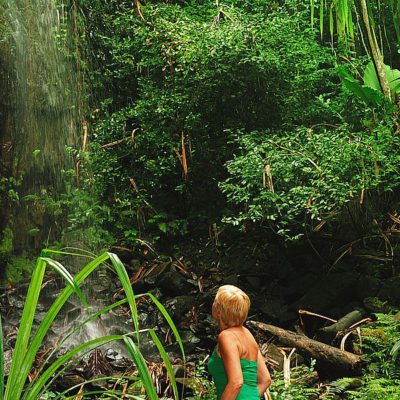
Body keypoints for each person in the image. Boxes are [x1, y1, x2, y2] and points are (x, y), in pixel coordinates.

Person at [208, 285, 271, 400]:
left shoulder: (226, 336)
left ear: (218, 311)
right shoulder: (247, 334)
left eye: (215, 302)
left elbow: (236, 382)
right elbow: (265, 380)